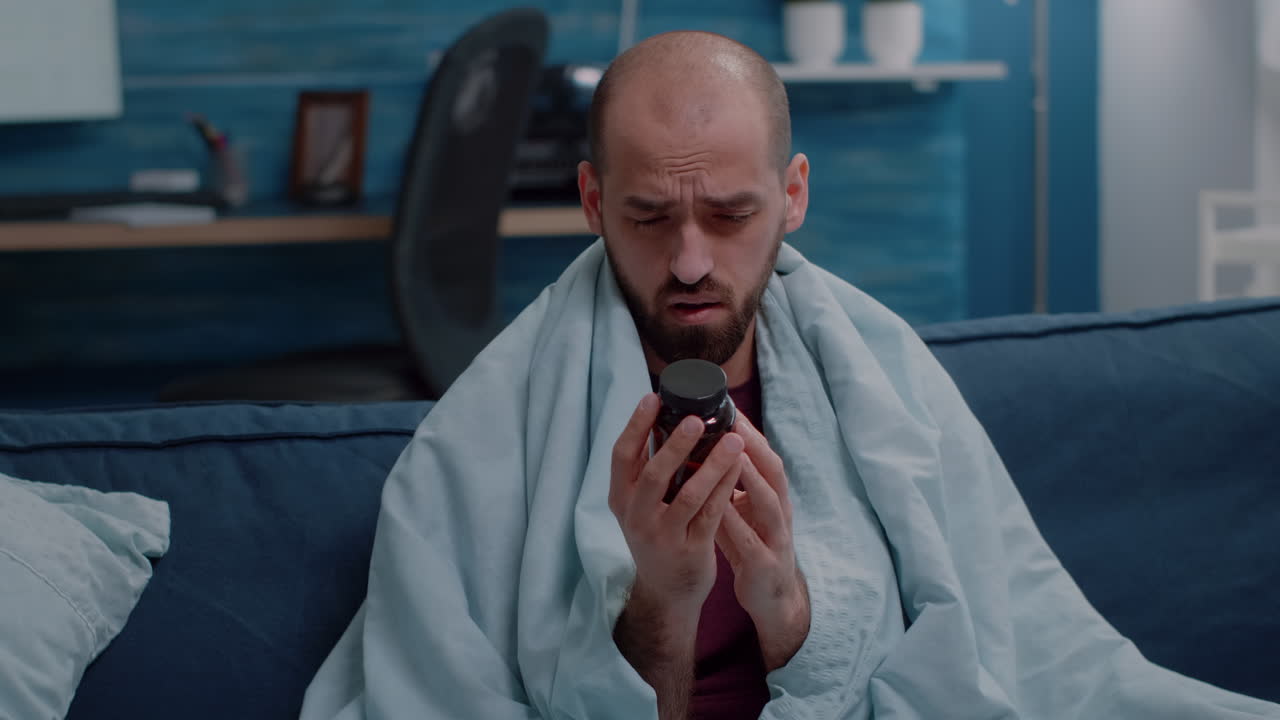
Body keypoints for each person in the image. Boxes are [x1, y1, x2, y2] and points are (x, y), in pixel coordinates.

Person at [301, 31, 1280, 720]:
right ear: (592, 202)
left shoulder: (884, 375)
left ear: (793, 195)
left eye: (730, 215)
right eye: (649, 216)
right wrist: (661, 601)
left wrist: (789, 611)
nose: (691, 261)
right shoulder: (483, 435)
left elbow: (993, 667)